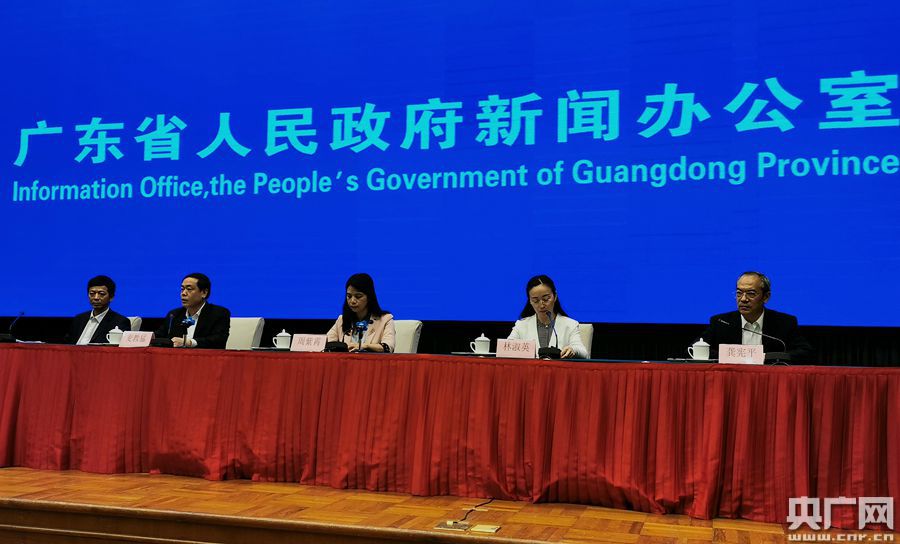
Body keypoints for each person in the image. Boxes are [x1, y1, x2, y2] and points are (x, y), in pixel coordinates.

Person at [698, 271, 812, 362]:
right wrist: (728, 356)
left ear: (766, 297)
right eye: (739, 293)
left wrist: (767, 357)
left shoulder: (784, 323)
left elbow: (805, 352)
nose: (743, 299)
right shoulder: (721, 322)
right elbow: (697, 349)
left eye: (751, 294)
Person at [508, 274, 589, 359]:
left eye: (546, 299)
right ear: (530, 301)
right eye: (535, 301)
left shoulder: (570, 324)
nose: (541, 305)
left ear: (555, 296)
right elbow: (506, 349)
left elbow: (584, 353)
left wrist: (573, 349)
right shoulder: (521, 325)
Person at [154, 273, 230, 349]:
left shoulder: (219, 313)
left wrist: (190, 343)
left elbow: (218, 340)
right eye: (182, 289)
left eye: (189, 289)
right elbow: (159, 336)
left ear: (204, 293)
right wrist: (150, 337)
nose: (183, 293)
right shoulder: (174, 315)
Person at [326, 273, 395, 352]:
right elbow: (327, 344)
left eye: (358, 296)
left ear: (369, 297)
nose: (352, 301)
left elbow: (388, 347)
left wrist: (364, 346)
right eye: (349, 296)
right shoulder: (342, 320)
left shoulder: (386, 319)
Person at [68, 275, 132, 344]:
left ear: (111, 297)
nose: (96, 298)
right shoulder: (79, 319)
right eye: (92, 293)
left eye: (101, 294)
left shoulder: (120, 322)